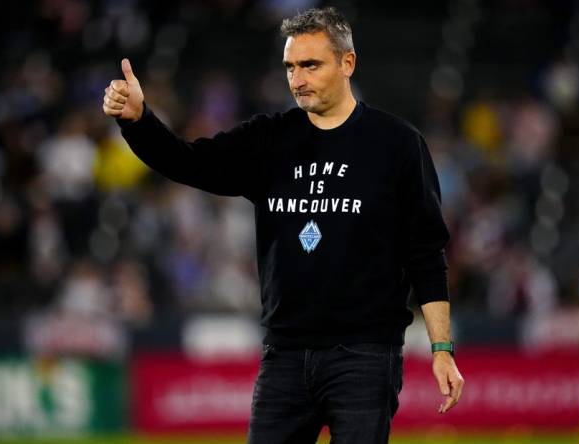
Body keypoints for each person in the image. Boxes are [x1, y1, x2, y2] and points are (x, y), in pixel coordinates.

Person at [102, 7, 464, 443]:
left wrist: (442, 349)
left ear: (347, 63)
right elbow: (188, 162)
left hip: (365, 355)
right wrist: (138, 121)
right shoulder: (269, 139)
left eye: (311, 65)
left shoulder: (398, 145)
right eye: (291, 67)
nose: (297, 78)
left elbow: (426, 253)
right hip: (285, 356)